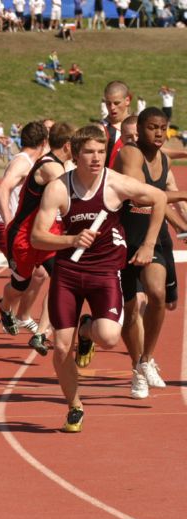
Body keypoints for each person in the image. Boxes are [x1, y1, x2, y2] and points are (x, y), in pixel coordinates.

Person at [30, 125, 165, 433]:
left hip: (105, 271)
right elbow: (37, 237)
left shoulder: (115, 184)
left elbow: (158, 198)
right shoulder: (59, 188)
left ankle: (87, 330)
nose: (95, 158)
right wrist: (71, 240)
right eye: (89, 152)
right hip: (68, 273)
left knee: (109, 337)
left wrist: (147, 245)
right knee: (62, 348)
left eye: (101, 152)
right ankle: (74, 405)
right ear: (75, 155)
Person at [114, 108, 187, 399]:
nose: (158, 133)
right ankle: (136, 368)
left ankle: (146, 360)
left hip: (152, 240)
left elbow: (173, 154)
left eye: (163, 128)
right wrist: (182, 195)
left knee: (157, 295)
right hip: (124, 240)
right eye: (152, 128)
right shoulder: (130, 154)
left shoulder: (164, 156)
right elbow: (139, 193)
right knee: (130, 312)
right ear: (140, 128)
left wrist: (181, 225)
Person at [0, 122, 74, 355]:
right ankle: (4, 306)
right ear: (69, 145)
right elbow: (70, 189)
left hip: (46, 235)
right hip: (23, 237)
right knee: (18, 287)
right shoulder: (50, 167)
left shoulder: (62, 163)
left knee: (61, 278)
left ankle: (40, 334)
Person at [0, 121, 49, 336]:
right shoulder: (22, 162)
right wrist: (8, 222)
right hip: (5, 228)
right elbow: (2, 188)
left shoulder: (29, 161)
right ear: (43, 143)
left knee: (40, 273)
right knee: (23, 281)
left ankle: (23, 314)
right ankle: (6, 307)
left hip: (20, 229)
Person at [102, 80, 133, 169]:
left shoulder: (139, 125)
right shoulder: (102, 129)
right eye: (108, 103)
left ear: (127, 100)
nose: (112, 108)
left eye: (116, 103)